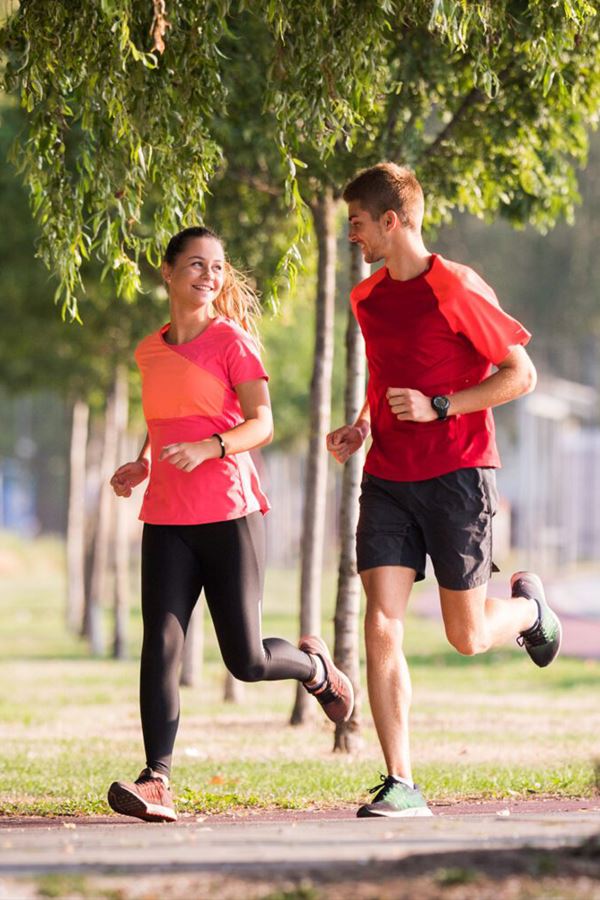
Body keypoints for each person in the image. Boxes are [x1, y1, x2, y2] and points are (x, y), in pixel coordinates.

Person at [327, 163, 562, 819]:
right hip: (388, 478)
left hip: (459, 474)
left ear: (393, 222)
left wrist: (441, 405)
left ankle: (529, 612)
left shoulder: (456, 287)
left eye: (359, 224)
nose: (354, 237)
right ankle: (401, 780)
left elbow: (522, 374)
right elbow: (385, 378)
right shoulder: (366, 297)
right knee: (381, 621)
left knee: (467, 636)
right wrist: (361, 427)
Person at [107, 226, 353, 823]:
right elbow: (167, 416)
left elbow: (261, 423)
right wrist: (143, 460)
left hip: (229, 513)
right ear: (167, 273)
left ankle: (318, 670)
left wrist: (213, 447)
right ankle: (157, 779)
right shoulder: (148, 349)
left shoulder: (232, 341)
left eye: (216, 267)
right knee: (160, 644)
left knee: (245, 658)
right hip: (166, 515)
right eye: (195, 265)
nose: (208, 276)